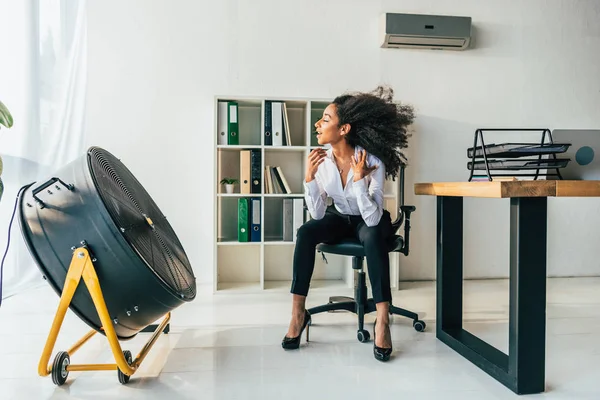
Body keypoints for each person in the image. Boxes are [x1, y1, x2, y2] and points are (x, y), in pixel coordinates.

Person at [281, 85, 415, 362]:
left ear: (344, 129)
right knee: (306, 232)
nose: (318, 124)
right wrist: (309, 178)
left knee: (372, 236)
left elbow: (373, 217)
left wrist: (357, 180)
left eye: (326, 119)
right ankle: (297, 313)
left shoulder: (372, 161)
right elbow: (318, 215)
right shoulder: (321, 160)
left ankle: (382, 320)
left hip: (370, 218)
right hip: (339, 217)